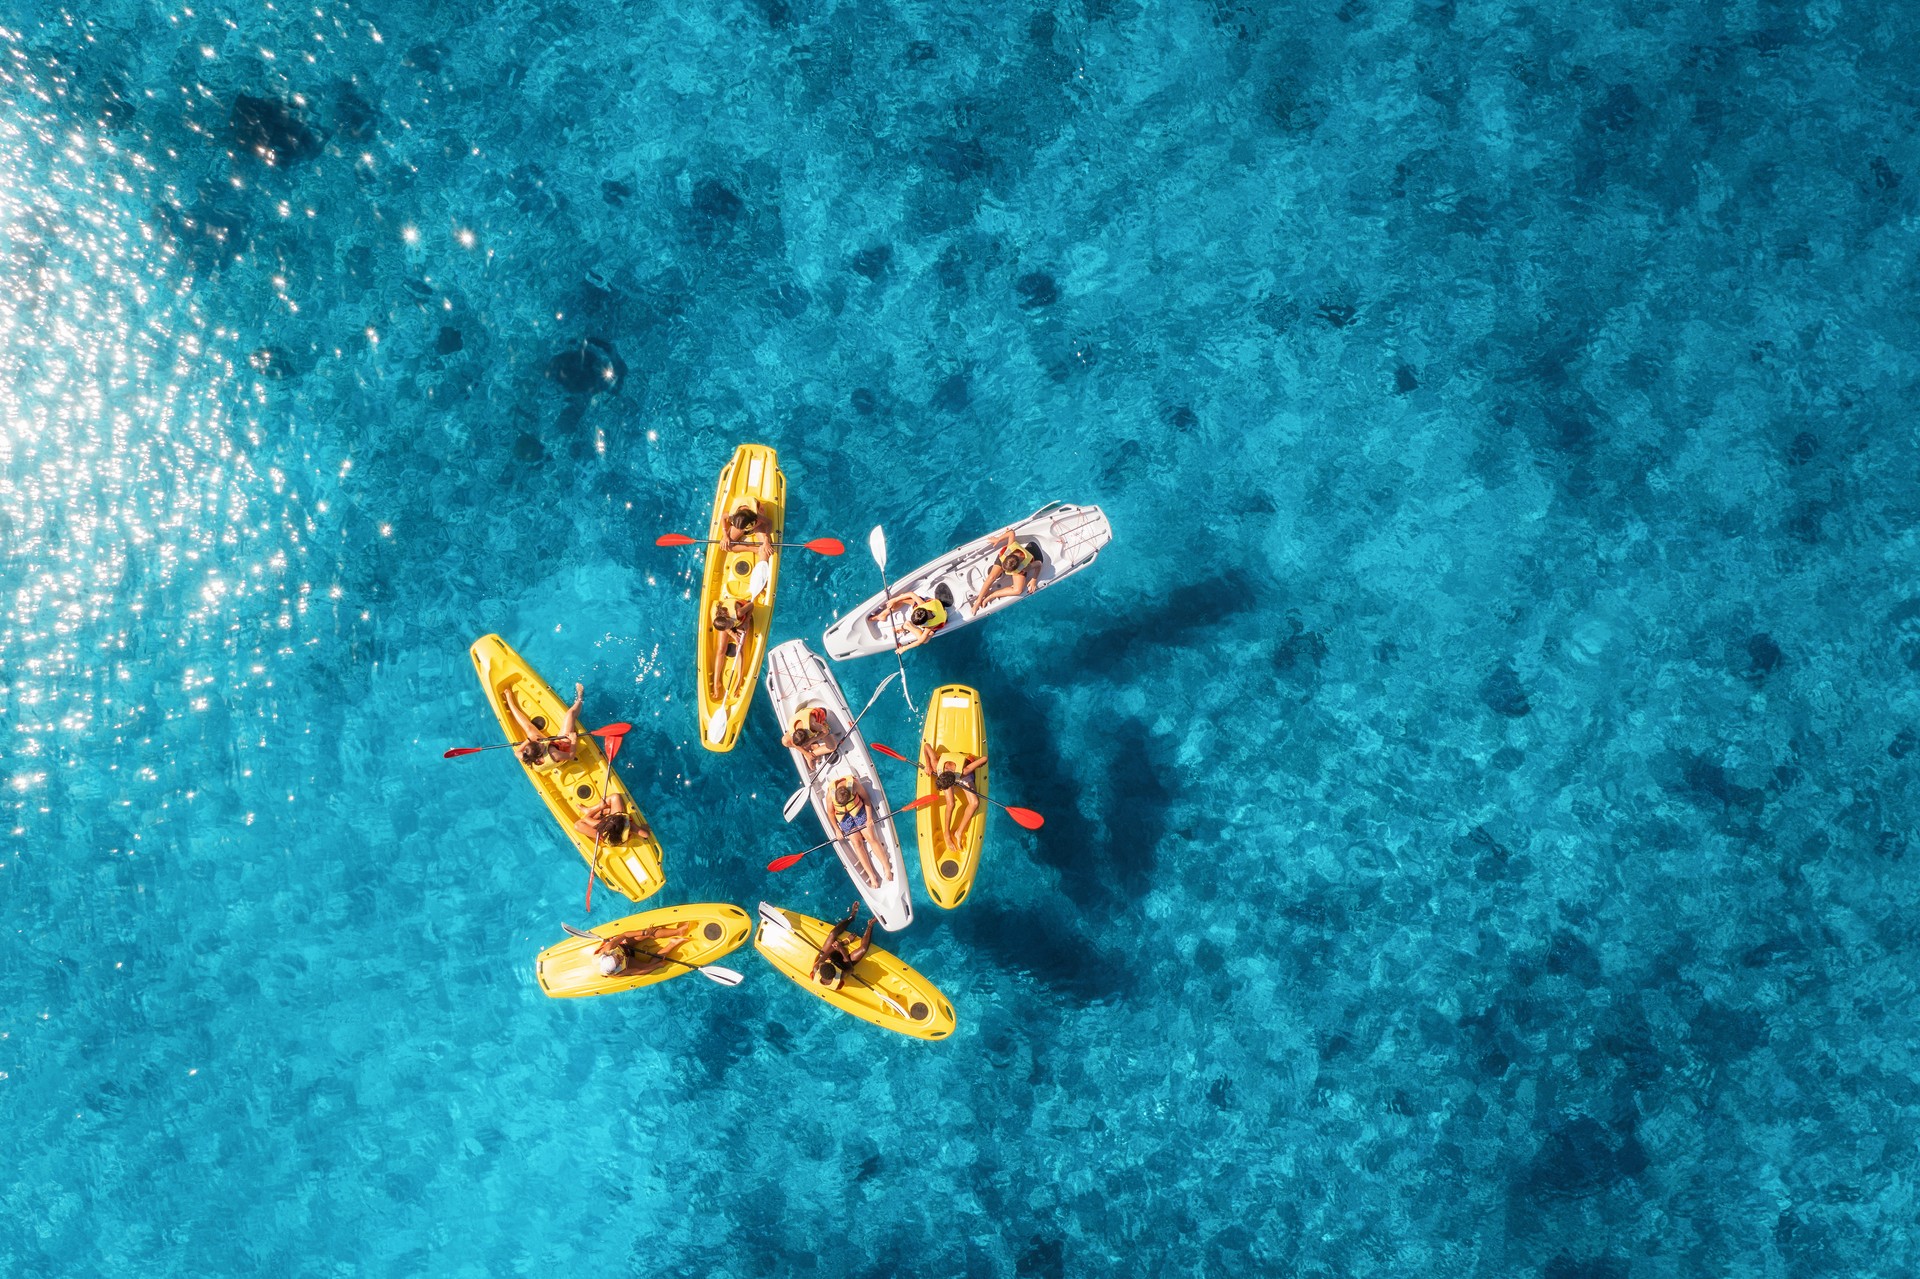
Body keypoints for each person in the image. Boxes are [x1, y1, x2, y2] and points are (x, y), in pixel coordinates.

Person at [829, 773, 890, 888]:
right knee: (857, 843)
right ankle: (872, 876)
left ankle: (886, 868)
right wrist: (837, 830)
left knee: (871, 837)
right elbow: (830, 813)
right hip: (844, 817)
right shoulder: (830, 794)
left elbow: (866, 799)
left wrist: (869, 818)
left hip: (857, 809)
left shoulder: (854, 785)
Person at [922, 742, 986, 848]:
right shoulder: (936, 764)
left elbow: (984, 758)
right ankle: (946, 833)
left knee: (974, 803)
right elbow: (926, 746)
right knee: (950, 804)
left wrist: (980, 764)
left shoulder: (964, 771)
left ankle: (958, 832)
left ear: (952, 784)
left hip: (961, 775)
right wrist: (928, 765)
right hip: (949, 774)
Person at [506, 681, 581, 767]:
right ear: (540, 754)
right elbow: (571, 756)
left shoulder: (527, 756)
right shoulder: (554, 754)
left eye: (538, 742)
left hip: (547, 748)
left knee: (528, 728)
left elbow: (516, 753)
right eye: (540, 745)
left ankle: (510, 702)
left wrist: (530, 739)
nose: (541, 742)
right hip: (560, 748)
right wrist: (573, 740)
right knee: (570, 714)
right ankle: (580, 698)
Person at [811, 903, 875, 992]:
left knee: (832, 934)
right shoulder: (840, 976)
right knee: (863, 949)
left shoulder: (816, 967)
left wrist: (844, 942)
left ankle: (851, 917)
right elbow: (850, 968)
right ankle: (870, 925)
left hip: (829, 956)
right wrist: (841, 948)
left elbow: (827, 953)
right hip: (843, 965)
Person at [595, 921, 694, 978]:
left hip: (622, 945)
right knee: (650, 965)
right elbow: (640, 971)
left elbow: (624, 935)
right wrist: (657, 966)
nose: (620, 958)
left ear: (609, 955)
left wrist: (643, 933)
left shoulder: (608, 948)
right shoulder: (619, 972)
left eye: (617, 957)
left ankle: (678, 931)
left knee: (649, 934)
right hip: (629, 960)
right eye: (619, 961)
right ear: (617, 968)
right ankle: (672, 943)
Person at [973, 529, 1042, 611]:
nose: (1004, 572)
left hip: (1019, 567)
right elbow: (1011, 533)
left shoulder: (1025, 566)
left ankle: (991, 595)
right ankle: (978, 600)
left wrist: (1034, 579)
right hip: (1006, 561)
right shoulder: (1009, 549)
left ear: (1015, 570)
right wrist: (998, 539)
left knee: (1018, 590)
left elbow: (1039, 564)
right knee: (991, 577)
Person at [867, 589, 946, 650]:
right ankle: (882, 615)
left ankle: (907, 625)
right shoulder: (922, 604)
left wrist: (904, 648)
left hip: (942, 616)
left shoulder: (930, 626)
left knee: (925, 640)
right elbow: (911, 594)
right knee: (902, 597)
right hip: (932, 608)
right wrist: (895, 600)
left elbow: (920, 641)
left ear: (925, 623)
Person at [708, 597, 753, 702]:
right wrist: (732, 634)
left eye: (728, 624)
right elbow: (727, 627)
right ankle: (716, 683)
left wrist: (746, 621)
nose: (729, 627)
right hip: (728, 623)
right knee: (720, 650)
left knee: (739, 648)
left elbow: (751, 606)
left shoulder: (739, 613)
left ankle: (739, 680)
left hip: (740, 621)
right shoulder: (719, 620)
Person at [571, 792, 650, 846]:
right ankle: (603, 810)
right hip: (617, 838)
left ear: (606, 820)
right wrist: (644, 828)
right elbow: (646, 834)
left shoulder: (600, 825)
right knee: (615, 797)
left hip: (603, 835)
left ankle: (590, 810)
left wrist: (600, 807)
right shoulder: (629, 826)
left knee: (577, 825)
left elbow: (586, 818)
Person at [720, 495, 773, 565]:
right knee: (726, 546)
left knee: (766, 550)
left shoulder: (756, 515)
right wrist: (725, 535)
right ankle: (755, 549)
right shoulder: (732, 515)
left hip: (755, 523)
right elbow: (723, 517)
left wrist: (766, 541)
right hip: (743, 521)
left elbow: (769, 522)